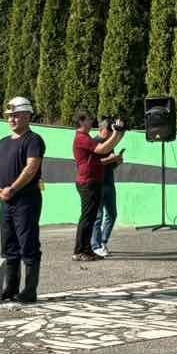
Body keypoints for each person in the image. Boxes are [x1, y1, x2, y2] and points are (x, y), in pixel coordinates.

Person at [0, 96, 46, 305]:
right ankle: (10, 288)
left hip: (26, 201)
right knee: (9, 246)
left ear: (27, 115)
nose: (11, 119)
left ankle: (29, 291)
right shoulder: (3, 142)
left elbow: (31, 168)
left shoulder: (33, 140)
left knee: (28, 245)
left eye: (16, 115)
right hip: (5, 201)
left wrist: (12, 188)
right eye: (9, 116)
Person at [70, 110, 121, 261]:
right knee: (87, 218)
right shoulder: (82, 138)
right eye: (88, 119)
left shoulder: (85, 137)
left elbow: (104, 150)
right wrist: (116, 133)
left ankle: (87, 250)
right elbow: (103, 149)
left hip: (92, 181)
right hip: (87, 182)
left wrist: (119, 133)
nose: (91, 121)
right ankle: (80, 251)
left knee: (90, 218)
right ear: (81, 121)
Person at [89, 117, 126, 259]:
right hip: (96, 184)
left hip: (109, 183)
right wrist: (111, 159)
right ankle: (95, 246)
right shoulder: (94, 142)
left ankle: (103, 241)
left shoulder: (110, 143)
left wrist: (117, 161)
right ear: (103, 129)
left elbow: (110, 165)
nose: (112, 134)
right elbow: (93, 163)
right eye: (111, 130)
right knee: (97, 216)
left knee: (112, 214)